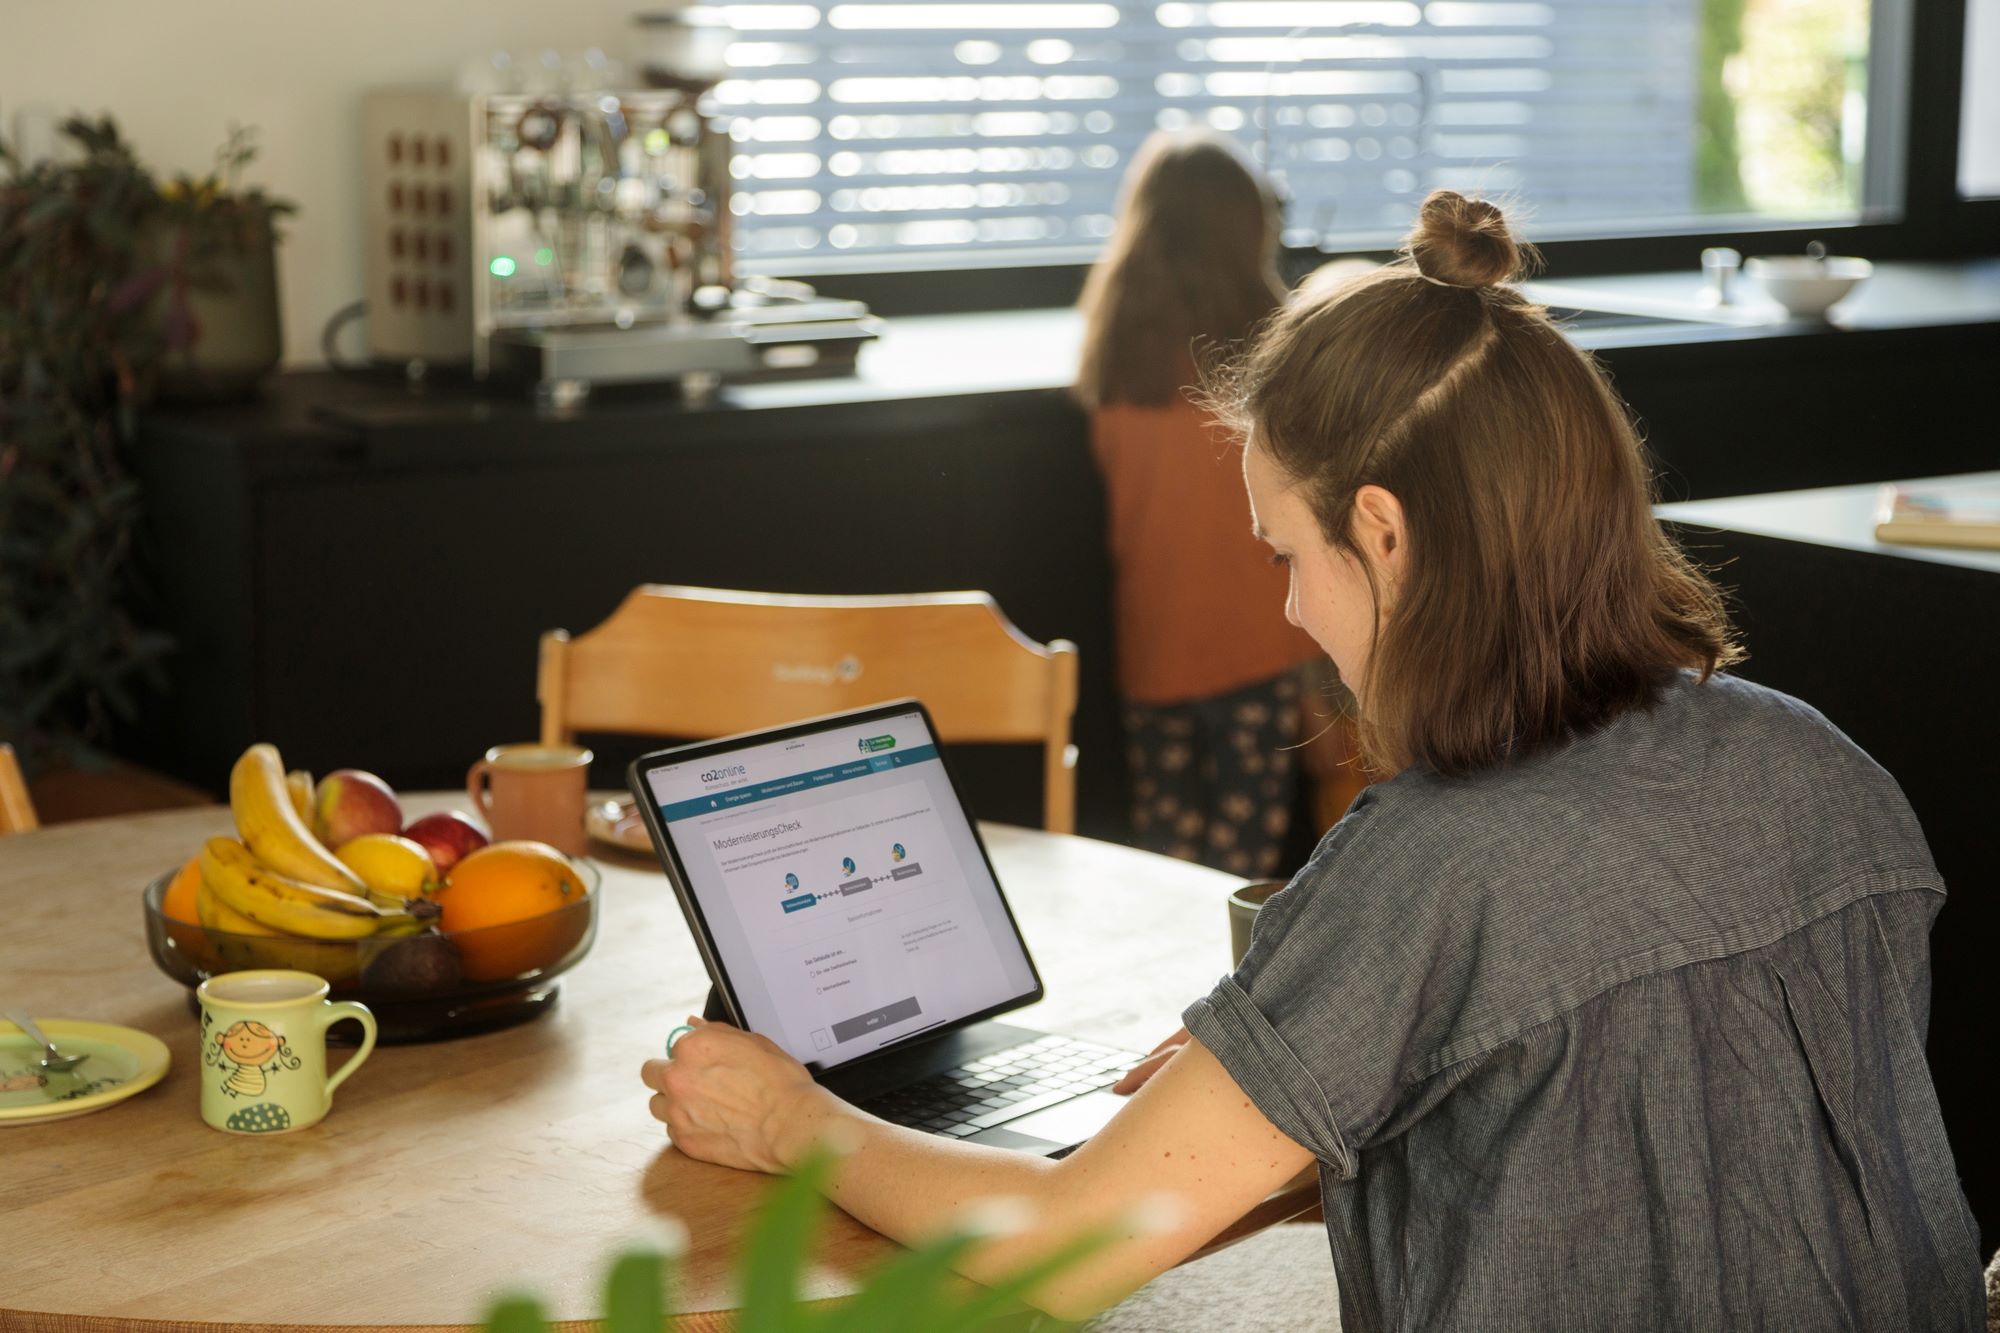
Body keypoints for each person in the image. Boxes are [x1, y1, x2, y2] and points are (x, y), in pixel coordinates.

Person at [639, 192, 1983, 1329]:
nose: (1286, 608)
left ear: (1384, 533)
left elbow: (1060, 1245)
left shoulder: (1437, 863)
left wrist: (787, 1119)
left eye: (1285, 553)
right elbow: (1692, 1142)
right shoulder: (1821, 764)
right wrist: (1317, 1078)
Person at [1075, 129, 1320, 876]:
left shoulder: (1117, 358)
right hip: (1257, 643)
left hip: (1154, 643)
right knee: (1244, 863)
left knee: (1165, 856)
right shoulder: (1271, 358)